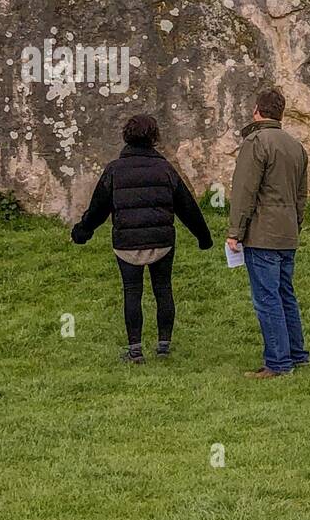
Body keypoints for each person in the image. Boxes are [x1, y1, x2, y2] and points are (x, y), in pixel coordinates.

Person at [71, 114, 213, 362]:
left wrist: (82, 231)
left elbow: (98, 209)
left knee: (132, 292)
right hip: (162, 242)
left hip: (127, 243)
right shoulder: (165, 169)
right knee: (163, 289)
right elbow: (187, 207)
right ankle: (164, 346)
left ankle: (135, 350)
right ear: (155, 138)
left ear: (126, 136)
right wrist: (204, 237)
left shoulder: (114, 170)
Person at [226, 88, 310, 379]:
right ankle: (297, 354)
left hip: (262, 232)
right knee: (286, 294)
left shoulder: (256, 141)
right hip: (287, 232)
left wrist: (235, 231)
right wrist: (295, 224)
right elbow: (301, 195)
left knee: (267, 298)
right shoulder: (295, 146)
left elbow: (244, 190)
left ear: (257, 110)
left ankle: (277, 362)